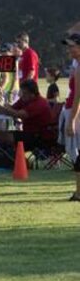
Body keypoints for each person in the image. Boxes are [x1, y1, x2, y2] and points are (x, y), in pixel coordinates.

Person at [0, 79, 54, 151]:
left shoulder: (39, 103)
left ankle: (8, 157)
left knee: (1, 136)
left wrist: (3, 109)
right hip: (29, 133)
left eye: (24, 93)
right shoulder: (25, 99)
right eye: (21, 92)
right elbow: (12, 108)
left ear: (32, 94)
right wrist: (4, 107)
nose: (21, 95)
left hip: (39, 137)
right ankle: (3, 156)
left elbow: (19, 114)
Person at [62, 33, 80, 201]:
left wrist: (72, 121)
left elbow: (78, 97)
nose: (69, 49)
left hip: (78, 114)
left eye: (72, 46)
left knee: (78, 154)